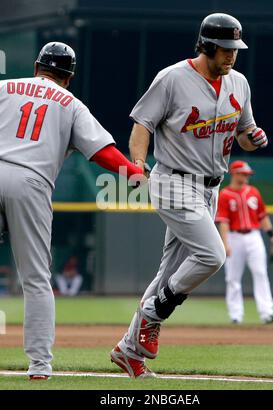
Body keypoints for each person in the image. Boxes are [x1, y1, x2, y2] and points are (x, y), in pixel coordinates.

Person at [110, 13, 269, 378]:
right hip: (173, 181)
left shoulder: (239, 84)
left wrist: (253, 139)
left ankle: (127, 350)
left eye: (235, 48)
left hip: (211, 186)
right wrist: (136, 163)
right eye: (225, 48)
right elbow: (142, 125)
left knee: (167, 273)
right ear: (206, 45)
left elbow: (244, 134)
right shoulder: (172, 78)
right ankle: (154, 315)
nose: (232, 55)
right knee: (212, 255)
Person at [0, 42, 144, 380]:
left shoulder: (4, 87)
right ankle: (39, 367)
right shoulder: (71, 103)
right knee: (35, 279)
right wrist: (134, 172)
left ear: (37, 67)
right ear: (69, 77)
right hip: (31, 182)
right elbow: (102, 153)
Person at [215, 160, 273, 324]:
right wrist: (225, 244)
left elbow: (262, 216)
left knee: (260, 273)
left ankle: (267, 313)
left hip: (254, 236)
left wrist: (272, 236)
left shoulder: (253, 192)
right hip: (233, 237)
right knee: (232, 277)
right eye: (244, 174)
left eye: (247, 174)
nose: (247, 176)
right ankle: (236, 315)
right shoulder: (225, 194)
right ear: (235, 173)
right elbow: (223, 222)